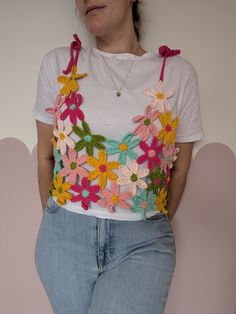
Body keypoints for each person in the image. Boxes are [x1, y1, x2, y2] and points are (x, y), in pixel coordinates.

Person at [33, 0, 204, 313]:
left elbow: (180, 169)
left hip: (142, 241)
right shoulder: (59, 64)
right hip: (63, 239)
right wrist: (56, 220)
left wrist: (148, 221)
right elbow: (45, 157)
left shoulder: (177, 74)